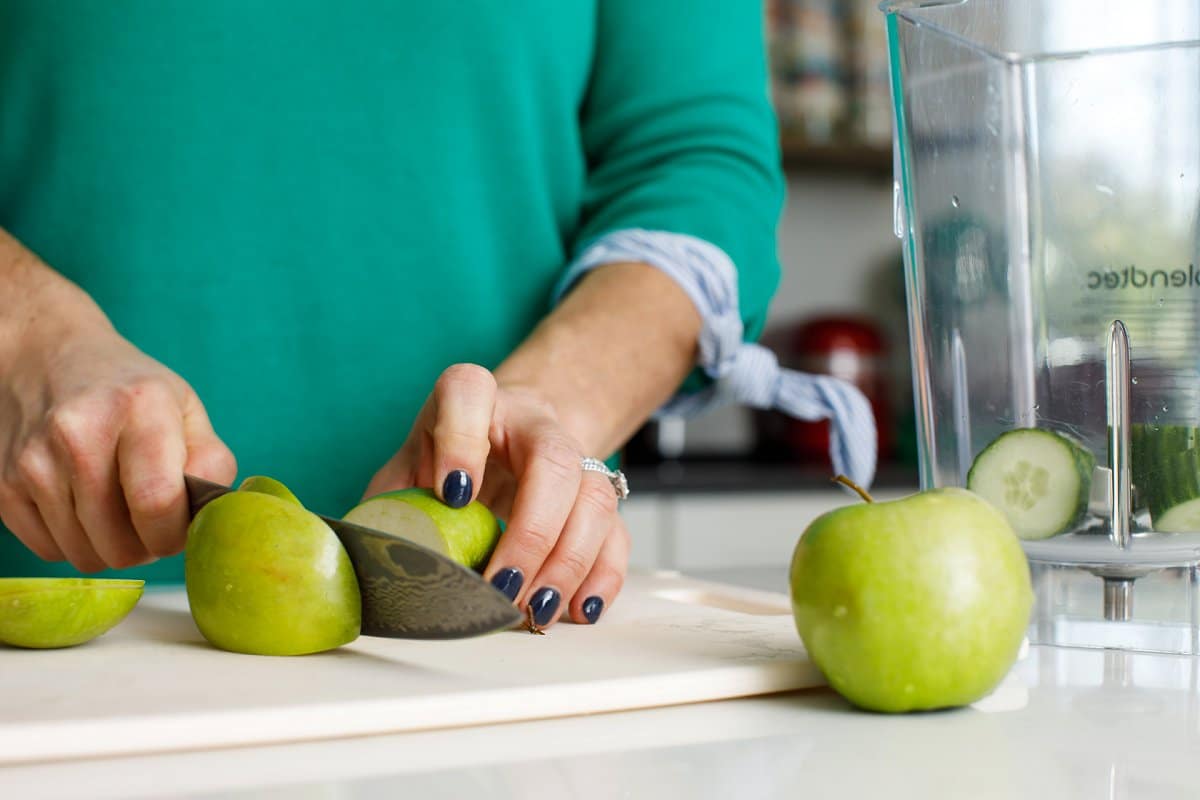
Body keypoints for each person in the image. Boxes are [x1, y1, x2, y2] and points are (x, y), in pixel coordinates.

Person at [0, 1, 874, 628]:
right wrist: (23, 333)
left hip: (491, 617)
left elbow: (696, 163)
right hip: (52, 628)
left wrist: (559, 402)